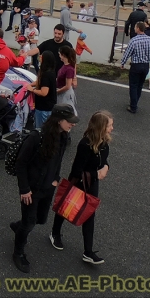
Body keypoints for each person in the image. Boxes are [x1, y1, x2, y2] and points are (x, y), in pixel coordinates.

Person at [10, 104, 78, 273]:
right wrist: (24, 189)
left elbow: (58, 160)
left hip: (48, 187)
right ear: (58, 120)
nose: (73, 124)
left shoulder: (62, 136)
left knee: (41, 219)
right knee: (29, 223)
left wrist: (55, 179)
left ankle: (18, 227)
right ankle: (18, 253)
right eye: (69, 121)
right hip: (31, 190)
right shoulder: (36, 137)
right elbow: (21, 163)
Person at [49, 110, 112, 265]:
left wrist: (106, 167)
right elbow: (77, 171)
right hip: (78, 183)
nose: (112, 129)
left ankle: (88, 252)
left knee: (89, 215)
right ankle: (55, 233)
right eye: (109, 125)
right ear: (100, 127)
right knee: (66, 208)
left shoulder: (104, 143)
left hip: (92, 183)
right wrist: (98, 174)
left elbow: (103, 161)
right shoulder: (85, 145)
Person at [120, 21, 150, 114]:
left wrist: (123, 63)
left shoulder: (134, 40)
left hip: (136, 65)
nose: (134, 29)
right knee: (139, 86)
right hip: (145, 65)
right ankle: (135, 102)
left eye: (135, 27)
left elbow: (128, 52)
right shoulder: (149, 39)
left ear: (138, 28)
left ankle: (133, 106)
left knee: (133, 85)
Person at [30, 51, 58, 128]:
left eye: (41, 56)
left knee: (40, 129)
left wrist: (32, 90)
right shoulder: (50, 71)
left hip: (44, 107)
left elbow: (44, 92)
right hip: (48, 106)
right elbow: (40, 82)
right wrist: (30, 84)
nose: (39, 57)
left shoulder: (46, 74)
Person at [55, 46, 78, 115]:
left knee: (67, 112)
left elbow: (68, 86)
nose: (59, 56)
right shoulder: (65, 65)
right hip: (61, 91)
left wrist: (56, 92)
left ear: (63, 55)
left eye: (59, 54)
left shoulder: (69, 69)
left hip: (65, 93)